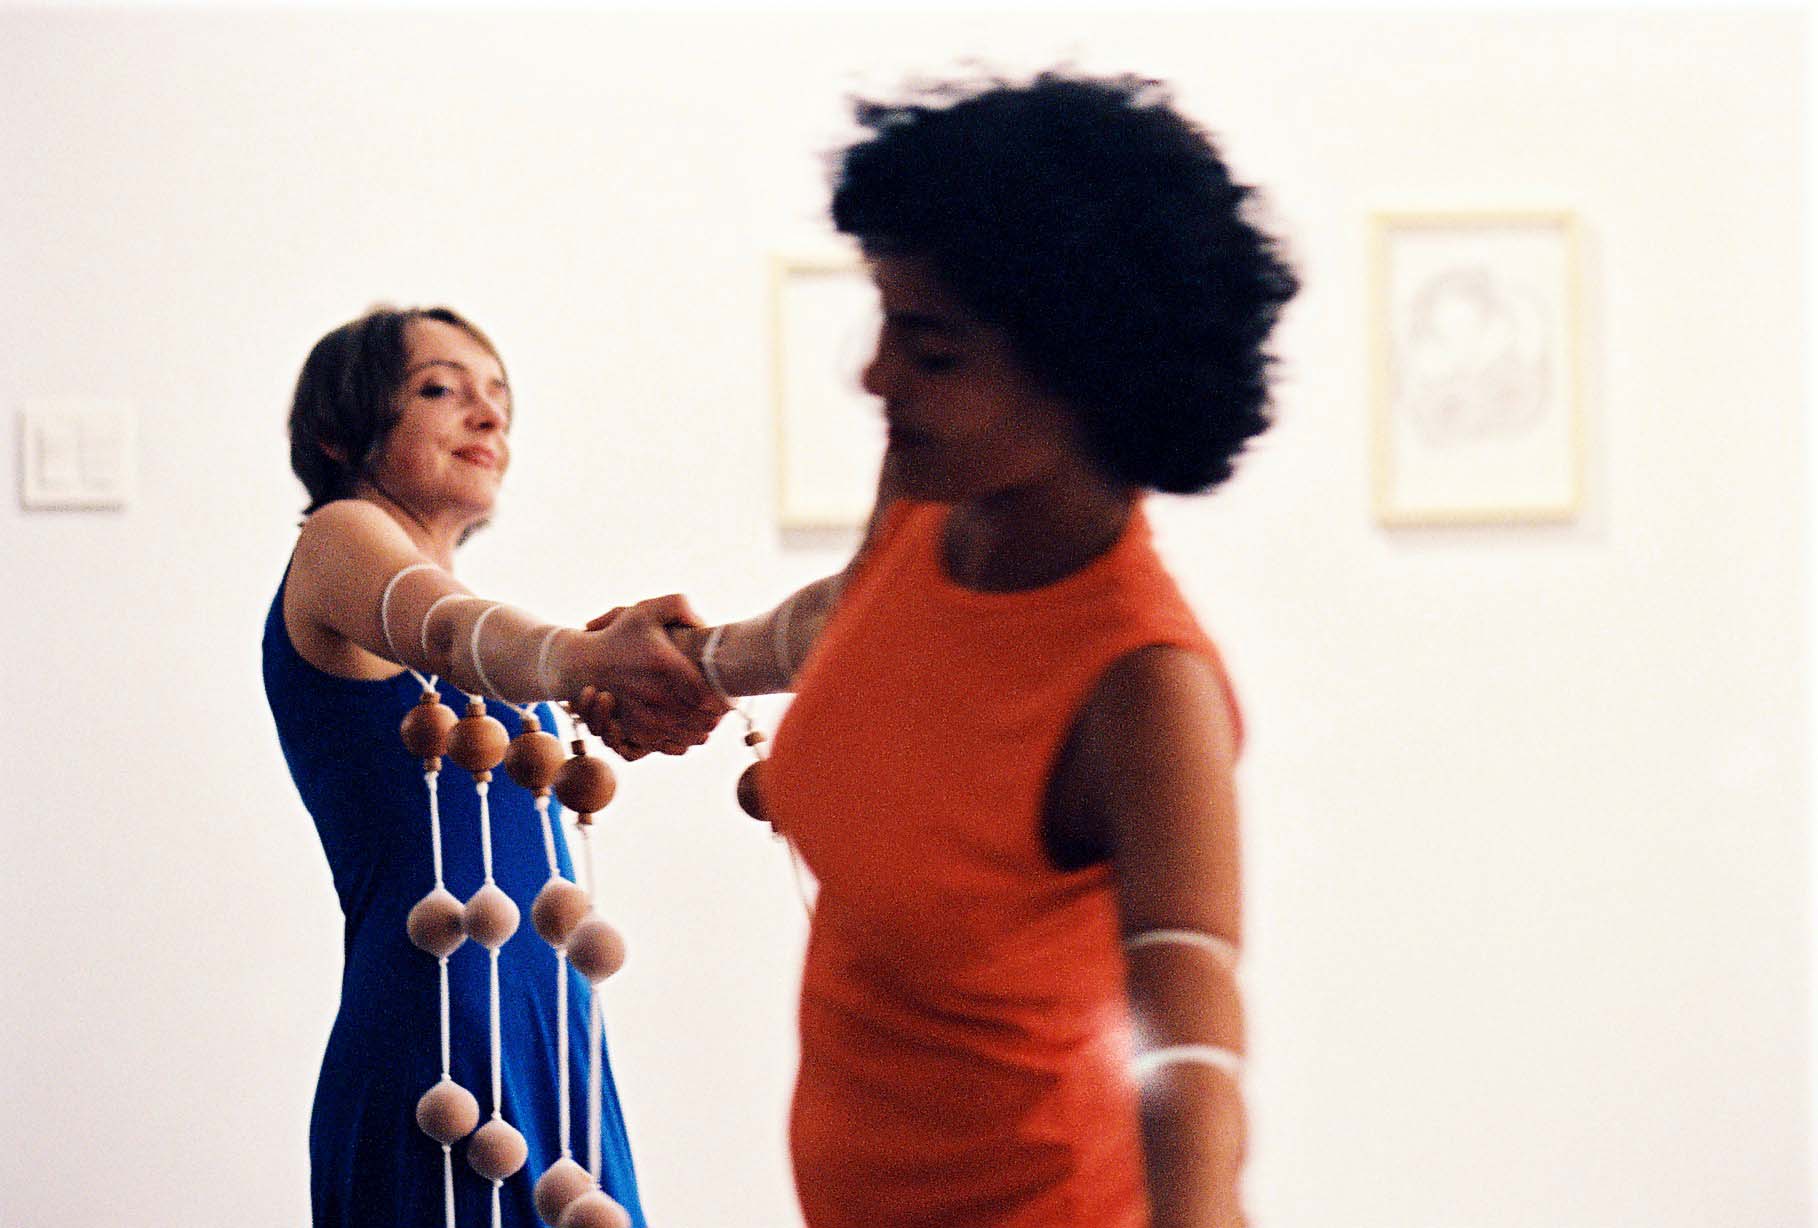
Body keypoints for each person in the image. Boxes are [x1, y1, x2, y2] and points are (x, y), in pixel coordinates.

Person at [581, 70, 1297, 1227]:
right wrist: (694, 662)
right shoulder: (931, 505)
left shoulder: (1142, 685)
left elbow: (1192, 1048)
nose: (874, 375)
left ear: (1086, 376)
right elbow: (851, 622)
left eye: (932, 351)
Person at [263, 304, 724, 1227]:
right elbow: (445, 629)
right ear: (338, 435)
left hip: (542, 1021)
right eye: (441, 389)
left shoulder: (480, 640)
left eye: (499, 396)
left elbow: (481, 643)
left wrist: (613, 694)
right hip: (441, 1033)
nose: (488, 415)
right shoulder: (338, 537)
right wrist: (585, 660)